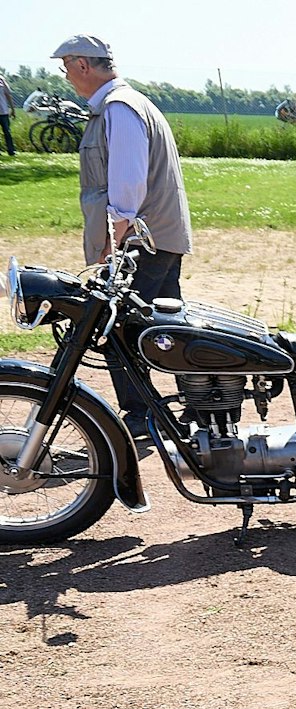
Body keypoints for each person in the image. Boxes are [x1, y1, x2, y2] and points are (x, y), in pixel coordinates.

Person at [54, 35, 193, 434]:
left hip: (139, 239)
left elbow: (128, 182)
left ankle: (144, 415)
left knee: (119, 327)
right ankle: (202, 408)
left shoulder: (119, 108)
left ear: (83, 65)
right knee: (169, 325)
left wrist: (113, 240)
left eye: (66, 68)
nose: (67, 77)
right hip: (154, 236)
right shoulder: (127, 103)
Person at [0, 74, 16, 157]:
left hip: (3, 111)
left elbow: (8, 95)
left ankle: (11, 150)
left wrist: (13, 109)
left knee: (7, 132)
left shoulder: (1, 79)